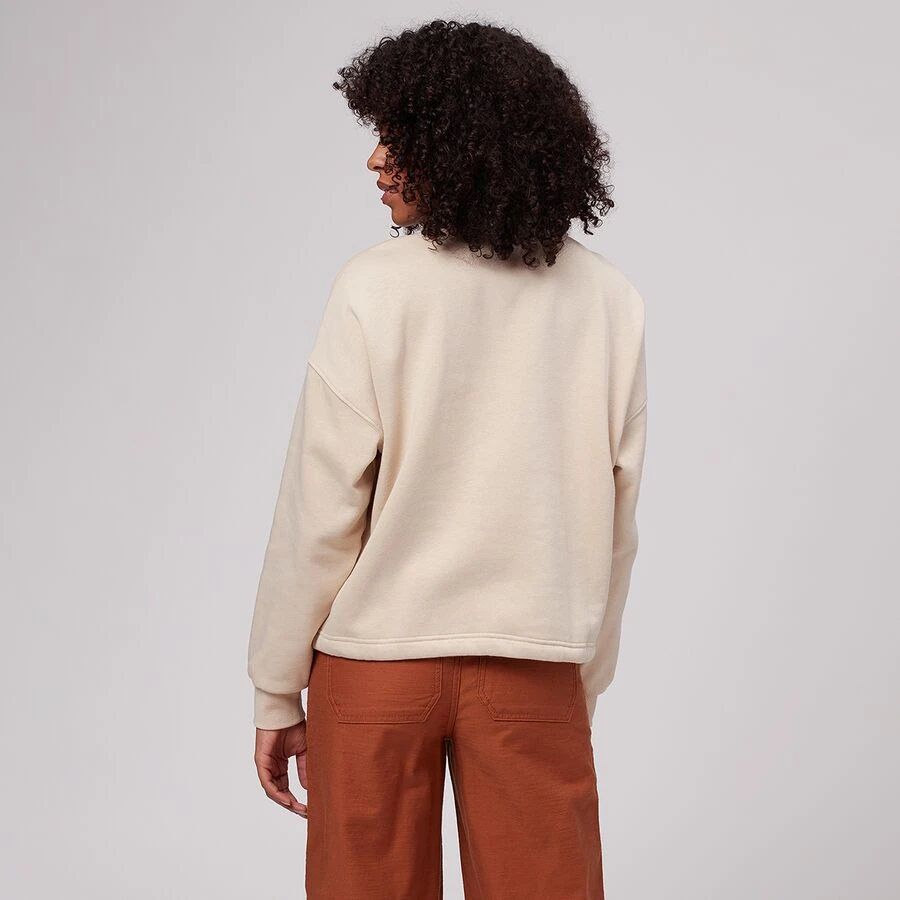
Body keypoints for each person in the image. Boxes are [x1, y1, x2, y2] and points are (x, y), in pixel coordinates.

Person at [247, 18, 648, 900]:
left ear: (460, 145)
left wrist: (276, 689)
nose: (374, 160)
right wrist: (579, 675)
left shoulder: (374, 288)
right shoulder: (608, 301)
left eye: (398, 136)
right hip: (534, 666)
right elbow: (619, 521)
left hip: (372, 669)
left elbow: (318, 509)